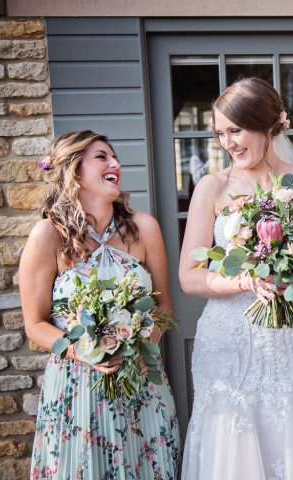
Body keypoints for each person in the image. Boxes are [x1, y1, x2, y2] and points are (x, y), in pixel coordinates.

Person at [178, 77, 293, 480]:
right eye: (220, 133)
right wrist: (245, 281)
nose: (228, 143)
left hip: (290, 337)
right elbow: (189, 277)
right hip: (227, 341)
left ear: (267, 127)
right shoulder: (211, 187)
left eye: (236, 130)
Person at [20, 131, 180, 479]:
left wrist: (141, 345)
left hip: (140, 380)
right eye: (102, 157)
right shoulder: (48, 235)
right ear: (74, 171)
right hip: (77, 385)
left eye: (115, 157)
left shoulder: (144, 228)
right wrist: (88, 352)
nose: (115, 164)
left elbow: (163, 307)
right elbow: (35, 325)